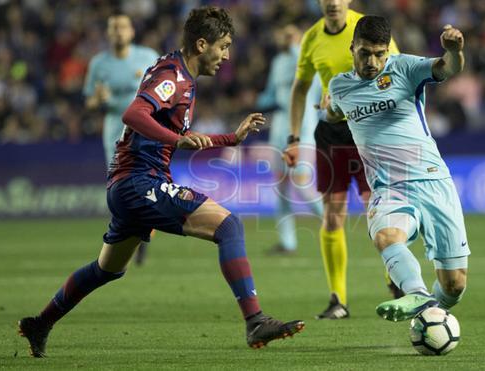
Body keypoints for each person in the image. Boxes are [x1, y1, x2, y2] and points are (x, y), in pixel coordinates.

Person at [18, 6, 304, 358]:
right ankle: (255, 320)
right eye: (224, 46)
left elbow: (184, 136)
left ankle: (39, 323)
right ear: (202, 44)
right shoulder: (174, 75)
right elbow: (134, 114)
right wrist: (177, 140)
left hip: (129, 186)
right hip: (141, 181)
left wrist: (232, 138)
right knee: (229, 227)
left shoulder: (178, 73)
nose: (227, 56)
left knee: (107, 269)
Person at [326, 16, 470, 322]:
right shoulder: (339, 86)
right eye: (365, 53)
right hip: (389, 188)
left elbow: (448, 68)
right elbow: (333, 111)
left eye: (380, 54)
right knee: (386, 237)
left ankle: (433, 310)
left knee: (454, 284)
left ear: (388, 51)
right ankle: (416, 292)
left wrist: (455, 52)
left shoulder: (405, 68)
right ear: (352, 47)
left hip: (432, 181)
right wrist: (326, 110)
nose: (372, 61)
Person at [283, 0, 399, 319]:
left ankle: (396, 279)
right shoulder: (311, 38)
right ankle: (338, 299)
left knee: (377, 211)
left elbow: (397, 77)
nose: (333, 2)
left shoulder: (368, 29)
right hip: (331, 136)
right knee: (332, 217)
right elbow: (300, 87)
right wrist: (294, 137)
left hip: (368, 133)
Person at [83, 12, 159, 265]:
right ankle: (132, 237)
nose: (118, 32)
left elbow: (164, 91)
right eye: (113, 27)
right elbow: (90, 101)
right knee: (120, 190)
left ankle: (141, 235)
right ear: (108, 33)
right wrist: (99, 100)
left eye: (122, 27)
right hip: (115, 131)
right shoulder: (99, 64)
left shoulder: (148, 57)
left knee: (147, 185)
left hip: (146, 130)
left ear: (131, 31)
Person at [256, 24, 323, 255]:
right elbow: (271, 94)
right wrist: (258, 102)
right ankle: (287, 242)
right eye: (285, 35)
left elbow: (310, 87)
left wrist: (296, 46)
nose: (286, 39)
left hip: (303, 129)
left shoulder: (309, 61)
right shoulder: (277, 62)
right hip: (280, 129)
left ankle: (331, 223)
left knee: (302, 184)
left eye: (292, 35)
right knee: (281, 185)